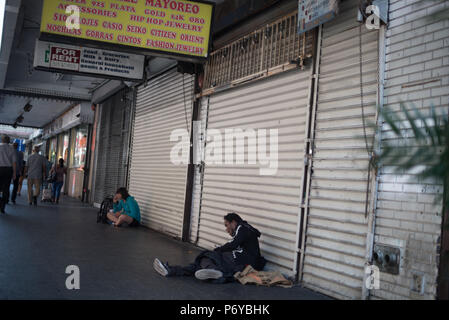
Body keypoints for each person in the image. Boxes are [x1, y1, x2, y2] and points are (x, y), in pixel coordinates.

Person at [153, 213, 266, 282]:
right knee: (203, 262)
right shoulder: (245, 229)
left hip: (241, 260)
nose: (226, 229)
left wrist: (218, 250)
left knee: (207, 257)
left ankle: (214, 271)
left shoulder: (242, 228)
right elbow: (233, 245)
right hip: (239, 259)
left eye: (227, 225)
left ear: (233, 222)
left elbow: (232, 245)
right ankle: (172, 270)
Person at [0, 135, 17, 214]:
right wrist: (14, 173)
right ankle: (2, 207)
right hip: (8, 170)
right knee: (6, 188)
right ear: (9, 141)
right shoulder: (12, 149)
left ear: (2, 140)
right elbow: (14, 162)